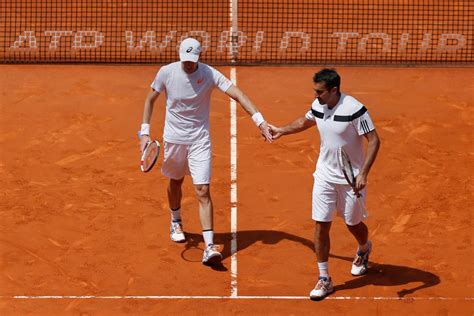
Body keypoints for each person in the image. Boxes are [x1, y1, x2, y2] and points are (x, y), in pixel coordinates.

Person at [139, 38, 273, 266]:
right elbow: (150, 99)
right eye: (185, 60)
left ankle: (209, 245)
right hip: (174, 140)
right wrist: (144, 132)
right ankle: (176, 220)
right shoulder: (166, 72)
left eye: (192, 61)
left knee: (202, 190)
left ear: (199, 58)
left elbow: (238, 94)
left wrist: (260, 121)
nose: (188, 65)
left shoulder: (209, 74)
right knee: (176, 182)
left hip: (200, 140)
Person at [268, 68, 381, 300]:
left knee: (353, 223)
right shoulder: (318, 105)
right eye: (315, 91)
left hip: (351, 179)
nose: (316, 95)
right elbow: (305, 121)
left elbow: (374, 140)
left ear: (334, 90)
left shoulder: (354, 109)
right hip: (324, 177)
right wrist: (281, 130)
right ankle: (324, 278)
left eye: (320, 92)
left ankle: (363, 248)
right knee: (321, 225)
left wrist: (363, 174)